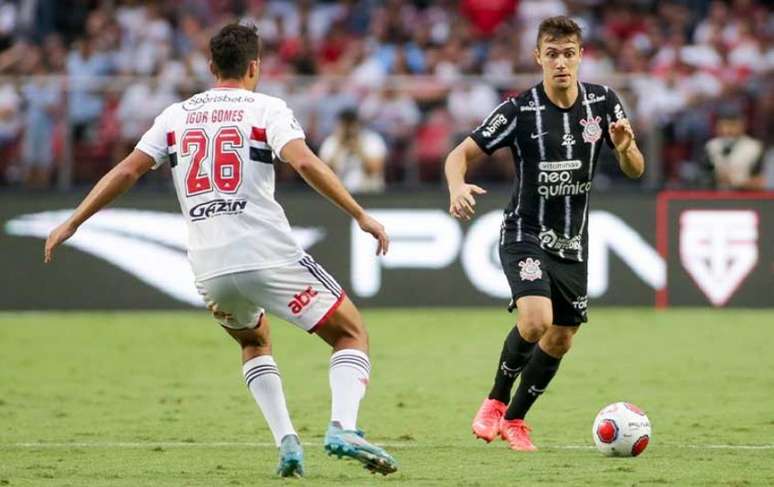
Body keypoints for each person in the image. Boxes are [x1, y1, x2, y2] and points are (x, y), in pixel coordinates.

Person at [44, 23, 398, 477]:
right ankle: (343, 427)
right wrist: (360, 214)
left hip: (209, 265)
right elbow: (305, 161)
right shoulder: (267, 108)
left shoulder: (174, 116)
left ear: (211, 67)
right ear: (255, 67)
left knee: (253, 339)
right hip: (267, 253)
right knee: (350, 333)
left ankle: (287, 443)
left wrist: (74, 219)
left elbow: (129, 170)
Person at [443, 16, 644, 451]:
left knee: (561, 337)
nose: (561, 63)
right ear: (538, 57)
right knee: (536, 321)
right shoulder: (519, 110)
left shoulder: (606, 102)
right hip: (524, 231)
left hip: (573, 241)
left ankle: (515, 420)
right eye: (551, 54)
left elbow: (635, 168)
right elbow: (459, 154)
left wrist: (626, 147)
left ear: (580, 56)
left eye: (569, 53)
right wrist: (457, 185)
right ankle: (495, 402)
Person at [319, 108, 387, 193]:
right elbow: (324, 174)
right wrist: (339, 146)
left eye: (351, 124)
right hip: (340, 194)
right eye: (345, 125)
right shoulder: (331, 142)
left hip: (369, 192)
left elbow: (374, 170)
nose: (348, 129)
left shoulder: (372, 140)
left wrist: (358, 148)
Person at [703, 105, 765, 191]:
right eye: (723, 125)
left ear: (743, 125)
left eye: (732, 125)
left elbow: (760, 182)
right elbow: (703, 175)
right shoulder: (711, 146)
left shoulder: (754, 147)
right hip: (715, 198)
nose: (727, 130)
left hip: (745, 198)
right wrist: (714, 178)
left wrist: (734, 182)